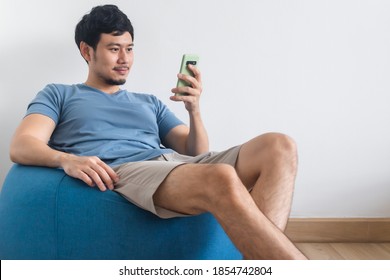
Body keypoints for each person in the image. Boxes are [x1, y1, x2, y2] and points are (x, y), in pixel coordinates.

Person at [9, 5, 306, 260]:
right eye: (114, 49)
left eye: (129, 48)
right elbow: (23, 144)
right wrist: (68, 160)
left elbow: (195, 153)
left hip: (174, 163)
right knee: (221, 177)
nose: (125, 58)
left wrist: (194, 109)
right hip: (125, 170)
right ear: (87, 51)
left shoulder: (148, 102)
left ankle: (260, 265)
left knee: (280, 146)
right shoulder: (60, 94)